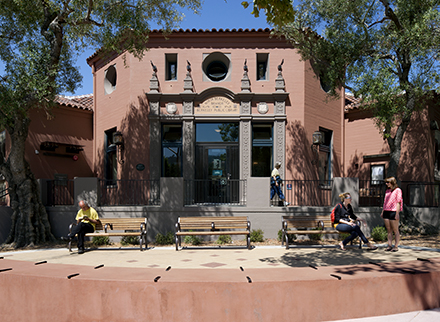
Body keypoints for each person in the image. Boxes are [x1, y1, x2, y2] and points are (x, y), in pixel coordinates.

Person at [380, 177, 402, 252]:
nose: (386, 184)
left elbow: (398, 202)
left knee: (395, 230)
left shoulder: (398, 190)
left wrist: (397, 213)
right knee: (389, 230)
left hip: (393, 211)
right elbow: (385, 202)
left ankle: (396, 246)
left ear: (392, 182)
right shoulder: (387, 191)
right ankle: (389, 245)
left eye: (388, 182)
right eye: (386, 182)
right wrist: (383, 211)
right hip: (386, 211)